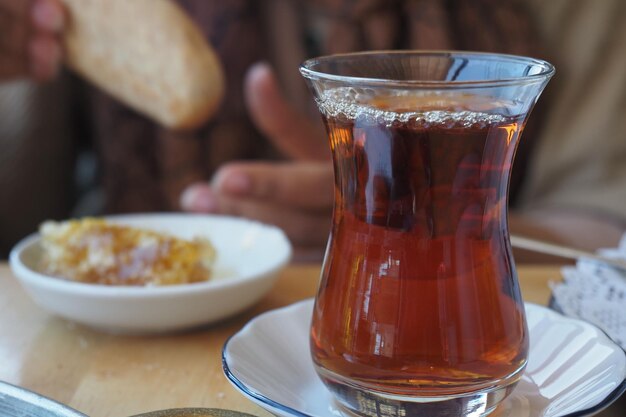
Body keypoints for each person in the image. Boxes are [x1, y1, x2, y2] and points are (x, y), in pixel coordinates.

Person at [0, 0, 624, 264]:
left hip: (464, 343)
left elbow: (606, 217)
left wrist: (433, 223)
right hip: (116, 337)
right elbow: (18, 223)